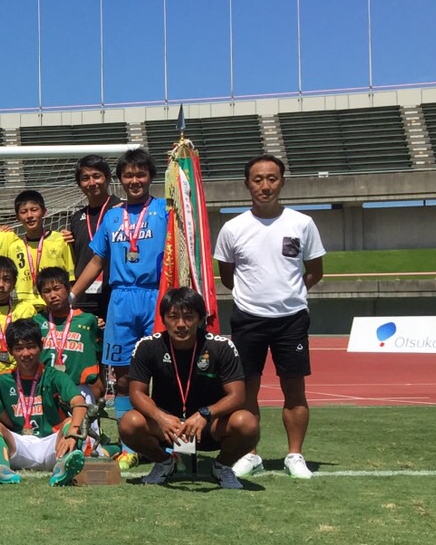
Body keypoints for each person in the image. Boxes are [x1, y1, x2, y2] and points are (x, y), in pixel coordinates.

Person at [214, 155, 325, 480]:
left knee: (294, 389)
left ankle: (295, 455)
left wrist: (288, 294)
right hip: (248, 319)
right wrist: (257, 297)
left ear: (282, 182)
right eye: (258, 179)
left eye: (272, 179)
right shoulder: (233, 228)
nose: (265, 186)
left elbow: (315, 270)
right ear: (247, 184)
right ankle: (250, 454)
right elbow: (228, 277)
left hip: (292, 320)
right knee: (246, 391)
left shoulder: (302, 223)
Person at [120, 287, 259, 488]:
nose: (181, 324)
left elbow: (237, 396)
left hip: (209, 426)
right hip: (168, 427)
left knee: (247, 423)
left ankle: (222, 466)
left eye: (189, 317)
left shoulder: (221, 347)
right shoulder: (147, 346)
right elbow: (136, 393)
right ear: (163, 319)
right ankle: (164, 462)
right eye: (173, 317)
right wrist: (160, 417)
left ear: (201, 319)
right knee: (129, 423)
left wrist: (205, 414)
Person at [70, 148, 169, 416]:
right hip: (121, 299)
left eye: (141, 174)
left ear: (151, 177)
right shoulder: (113, 217)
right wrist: (72, 295)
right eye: (128, 175)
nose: (134, 181)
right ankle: (128, 436)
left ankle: (162, 433)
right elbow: (96, 261)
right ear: (120, 179)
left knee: (163, 372)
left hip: (156, 297)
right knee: (123, 378)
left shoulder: (165, 209)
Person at [0, 319, 89, 487]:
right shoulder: (3, 380)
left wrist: (73, 433)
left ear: (41, 345)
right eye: (19, 348)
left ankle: (63, 467)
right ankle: (2, 469)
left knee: (70, 421)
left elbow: (79, 402)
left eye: (31, 347)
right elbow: (1, 415)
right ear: (10, 350)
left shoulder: (54, 375)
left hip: (53, 444)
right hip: (19, 445)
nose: (26, 353)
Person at [33, 266, 104, 402]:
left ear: (69, 288)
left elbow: (99, 354)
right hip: (46, 388)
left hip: (80, 388)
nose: (53, 295)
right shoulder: (36, 322)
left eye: (57, 288)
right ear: (41, 296)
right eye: (46, 291)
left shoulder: (88, 320)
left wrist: (99, 382)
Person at [63, 155, 115, 319]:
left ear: (108, 178)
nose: (91, 183)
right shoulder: (77, 217)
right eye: (85, 178)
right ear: (79, 184)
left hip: (113, 294)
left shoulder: (122, 209)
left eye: (96, 176)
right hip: (82, 298)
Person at [10, 190, 73, 307]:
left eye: (34, 210)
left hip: (54, 306)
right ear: (17, 217)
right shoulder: (13, 247)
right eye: (23, 212)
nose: (29, 216)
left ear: (44, 211)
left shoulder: (61, 240)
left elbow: (71, 278)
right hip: (25, 308)